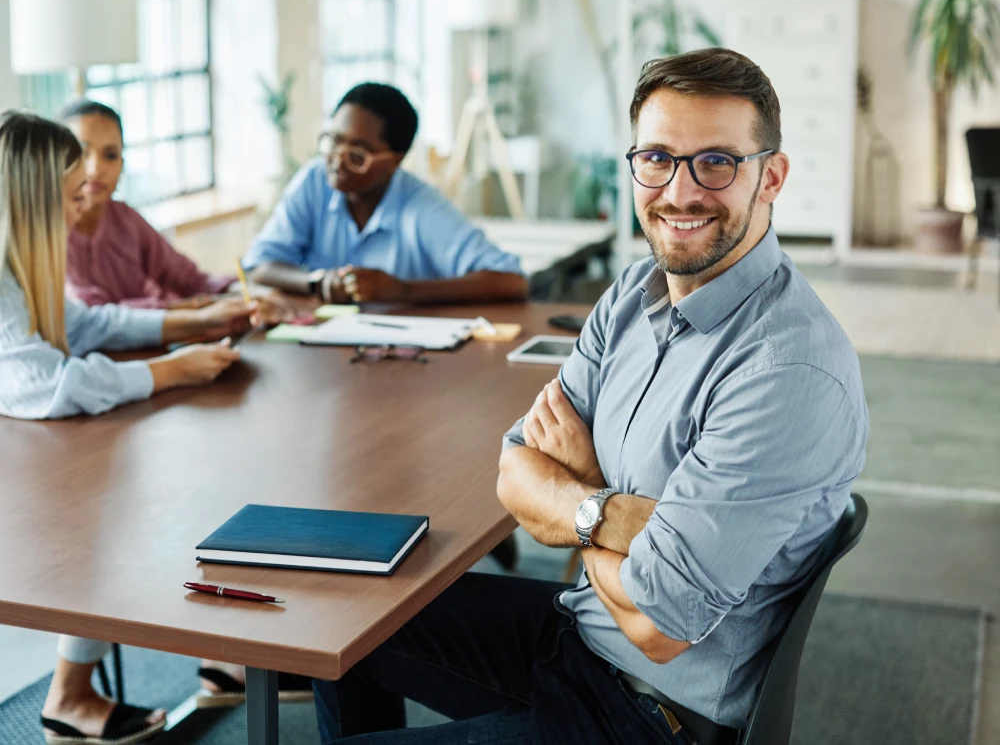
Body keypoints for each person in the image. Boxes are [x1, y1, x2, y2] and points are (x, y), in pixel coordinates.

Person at [310, 48, 869, 744]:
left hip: (652, 713)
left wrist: (583, 490)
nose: (681, 191)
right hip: (582, 634)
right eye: (657, 158)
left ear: (771, 176)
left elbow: (660, 624)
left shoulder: (786, 371)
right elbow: (516, 468)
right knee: (350, 624)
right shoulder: (634, 293)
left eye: (716, 162)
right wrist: (625, 521)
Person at [0, 110, 280, 744]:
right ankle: (71, 696)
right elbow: (53, 385)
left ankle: (219, 650)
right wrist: (170, 371)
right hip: (22, 471)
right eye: (70, 194)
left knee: (135, 487)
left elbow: (88, 325)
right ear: (34, 199)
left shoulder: (21, 267)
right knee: (115, 508)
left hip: (32, 450)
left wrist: (198, 321)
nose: (81, 205)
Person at [244, 82, 528, 305]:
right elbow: (260, 265)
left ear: (396, 159)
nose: (338, 160)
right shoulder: (313, 181)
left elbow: (512, 281)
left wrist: (403, 290)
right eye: (333, 141)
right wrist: (317, 281)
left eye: (358, 154)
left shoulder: (422, 207)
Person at [58, 98, 246, 310]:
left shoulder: (125, 219)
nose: (95, 169)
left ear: (122, 165)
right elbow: (95, 318)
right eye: (82, 153)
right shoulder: (48, 236)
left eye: (110, 155)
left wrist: (243, 293)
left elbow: (189, 278)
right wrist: (189, 312)